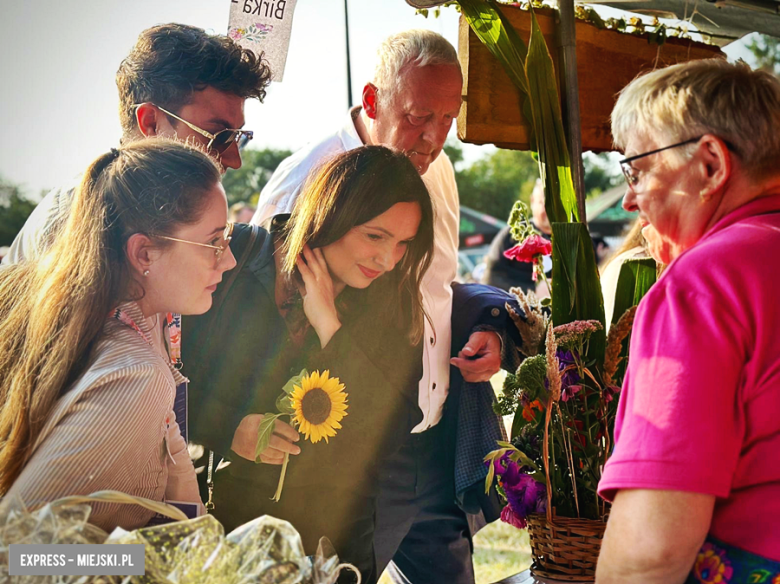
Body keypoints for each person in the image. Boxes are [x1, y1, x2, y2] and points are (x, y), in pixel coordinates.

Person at [252, 29, 509, 583]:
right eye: (420, 115)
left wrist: (484, 329)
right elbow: (259, 313)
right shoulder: (305, 178)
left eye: (448, 118)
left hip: (428, 435)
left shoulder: (438, 170)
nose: (435, 136)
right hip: (343, 450)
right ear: (373, 100)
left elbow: (436, 290)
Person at [183, 145, 435, 583]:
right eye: (375, 236)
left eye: (403, 244)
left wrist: (330, 328)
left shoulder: (396, 304)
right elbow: (170, 383)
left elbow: (389, 431)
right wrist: (229, 429)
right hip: (225, 537)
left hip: (337, 552)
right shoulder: (236, 261)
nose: (388, 259)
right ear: (331, 213)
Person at [596, 59, 780, 582]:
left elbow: (649, 553)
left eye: (637, 170)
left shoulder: (705, 282)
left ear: (710, 166)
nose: (629, 198)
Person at [0, 139, 236, 532]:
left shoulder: (82, 317)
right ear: (144, 253)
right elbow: (18, 556)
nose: (227, 259)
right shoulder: (136, 374)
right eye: (213, 242)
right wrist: (143, 563)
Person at [3, 22, 271, 265]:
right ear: (151, 123)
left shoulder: (158, 216)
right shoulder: (87, 217)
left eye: (237, 137)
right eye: (220, 137)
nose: (234, 160)